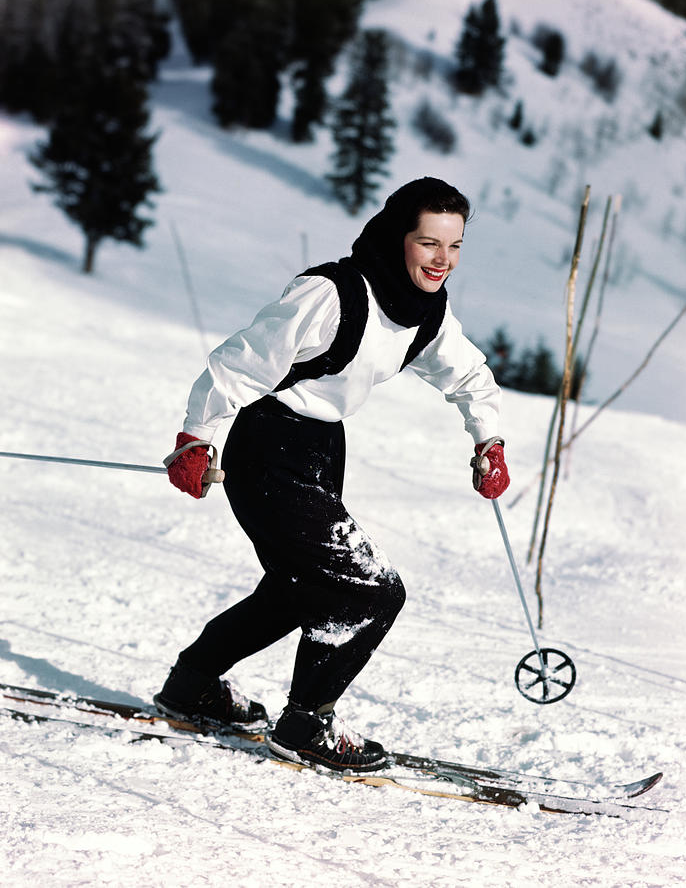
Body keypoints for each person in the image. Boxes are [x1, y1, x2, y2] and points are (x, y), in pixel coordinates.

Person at [156, 177, 510, 773]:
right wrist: (196, 438)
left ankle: (191, 686)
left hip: (322, 446)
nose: (442, 261)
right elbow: (237, 365)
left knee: (299, 589)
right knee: (370, 589)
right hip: (269, 448)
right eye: (428, 243)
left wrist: (488, 439)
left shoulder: (422, 309)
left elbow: (469, 374)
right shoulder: (332, 294)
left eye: (454, 247)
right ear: (399, 236)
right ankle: (307, 722)